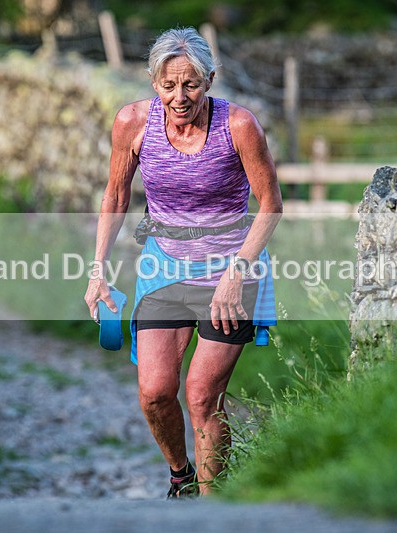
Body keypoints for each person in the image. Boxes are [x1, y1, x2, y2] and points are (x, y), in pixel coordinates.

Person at [84, 27, 282, 498]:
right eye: (168, 85)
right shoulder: (132, 123)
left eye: (191, 84)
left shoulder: (239, 126)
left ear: (209, 80)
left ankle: (212, 512)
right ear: (153, 81)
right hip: (165, 268)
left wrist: (237, 272)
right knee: (154, 392)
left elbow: (271, 205)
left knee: (201, 397)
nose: (179, 97)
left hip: (229, 270)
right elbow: (115, 195)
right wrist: (98, 271)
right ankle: (181, 477)